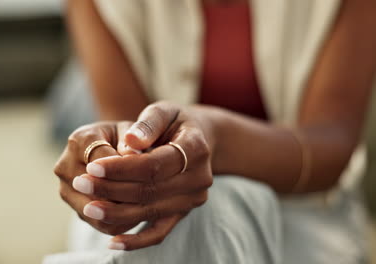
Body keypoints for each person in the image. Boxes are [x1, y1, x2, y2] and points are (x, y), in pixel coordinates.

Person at [46, 0, 376, 263]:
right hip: (153, 219)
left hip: (300, 210)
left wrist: (214, 138)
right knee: (184, 226)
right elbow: (126, 126)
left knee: (209, 213)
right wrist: (114, 165)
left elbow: (332, 144)